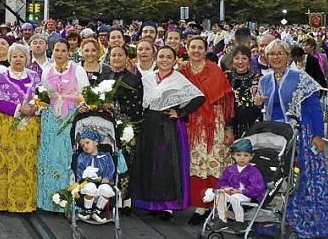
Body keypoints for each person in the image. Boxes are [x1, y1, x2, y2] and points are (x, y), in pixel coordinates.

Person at [256, 39, 328, 239]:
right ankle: (272, 221)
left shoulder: (301, 77)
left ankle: (307, 225)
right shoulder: (264, 81)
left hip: (302, 133)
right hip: (276, 136)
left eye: (280, 53)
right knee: (276, 178)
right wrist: (258, 104)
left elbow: (315, 107)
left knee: (303, 178)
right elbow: (264, 110)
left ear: (288, 56)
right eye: (271, 54)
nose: (275, 57)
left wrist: (318, 135)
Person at [129, 46, 204, 220]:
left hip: (166, 125)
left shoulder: (179, 79)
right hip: (148, 123)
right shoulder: (147, 78)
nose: (164, 60)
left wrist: (179, 113)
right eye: (161, 56)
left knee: (165, 165)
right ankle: (147, 202)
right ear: (156, 58)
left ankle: (167, 206)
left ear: (174, 60)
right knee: (147, 162)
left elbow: (199, 97)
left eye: (168, 57)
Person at [181, 36, 235, 225]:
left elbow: (226, 101)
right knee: (194, 164)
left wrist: (229, 127)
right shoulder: (181, 71)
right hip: (190, 125)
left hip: (214, 125)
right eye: (192, 47)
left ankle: (211, 205)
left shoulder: (215, 71)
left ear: (205, 50)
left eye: (200, 47)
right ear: (187, 49)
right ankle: (197, 203)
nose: (196, 50)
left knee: (213, 163)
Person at [0, 44, 40, 213]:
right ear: (9, 58)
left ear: (27, 59)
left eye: (21, 56)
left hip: (28, 125)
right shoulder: (1, 76)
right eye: (14, 56)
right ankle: (0, 202)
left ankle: (22, 203)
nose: (18, 59)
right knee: (3, 162)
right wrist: (19, 109)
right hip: (5, 125)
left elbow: (40, 97)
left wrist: (35, 107)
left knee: (26, 164)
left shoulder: (35, 76)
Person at [36, 40, 88, 213]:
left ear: (69, 52)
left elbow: (85, 93)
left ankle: (68, 200)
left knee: (66, 156)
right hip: (50, 117)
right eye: (57, 50)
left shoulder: (77, 70)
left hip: (70, 116)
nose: (59, 54)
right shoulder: (47, 70)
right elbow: (43, 93)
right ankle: (47, 200)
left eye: (63, 50)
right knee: (50, 156)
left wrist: (83, 106)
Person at [204, 138, 266, 226]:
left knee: (235, 197)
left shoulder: (253, 171)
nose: (242, 158)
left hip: (246, 195)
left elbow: (258, 188)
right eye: (238, 155)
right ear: (233, 155)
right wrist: (225, 188)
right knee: (220, 195)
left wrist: (240, 191)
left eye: (246, 155)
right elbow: (222, 181)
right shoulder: (230, 169)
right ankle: (222, 220)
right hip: (231, 192)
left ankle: (239, 222)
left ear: (251, 156)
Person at [74, 128, 116, 224]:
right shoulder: (82, 157)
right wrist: (80, 180)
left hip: (102, 182)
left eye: (87, 142)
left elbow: (110, 168)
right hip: (88, 183)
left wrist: (107, 178)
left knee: (106, 189)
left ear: (96, 142)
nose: (85, 146)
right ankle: (87, 211)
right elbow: (79, 170)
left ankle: (98, 211)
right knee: (90, 187)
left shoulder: (106, 156)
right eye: (82, 145)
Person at [223, 44, 263, 140]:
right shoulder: (226, 78)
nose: (240, 62)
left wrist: (260, 104)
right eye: (237, 58)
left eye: (244, 58)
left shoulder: (259, 78)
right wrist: (228, 127)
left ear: (249, 60)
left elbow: (263, 104)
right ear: (232, 60)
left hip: (254, 124)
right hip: (231, 125)